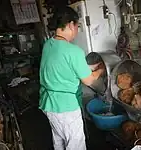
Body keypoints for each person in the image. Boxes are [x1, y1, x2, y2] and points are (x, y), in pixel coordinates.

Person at [39, 7, 104, 150]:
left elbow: (64, 66)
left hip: (49, 104)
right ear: (70, 25)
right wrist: (100, 70)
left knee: (59, 140)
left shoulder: (49, 45)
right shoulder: (74, 51)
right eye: (77, 26)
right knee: (76, 145)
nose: (77, 30)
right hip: (66, 108)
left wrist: (92, 67)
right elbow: (88, 80)